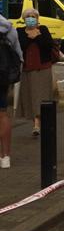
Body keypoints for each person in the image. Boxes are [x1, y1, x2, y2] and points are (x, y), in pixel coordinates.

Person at [18, 7, 64, 135]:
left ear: (37, 19)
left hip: (43, 69)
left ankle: (37, 124)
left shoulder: (43, 29)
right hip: (27, 70)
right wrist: (32, 37)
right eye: (28, 17)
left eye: (33, 17)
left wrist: (36, 36)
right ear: (24, 19)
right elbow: (21, 45)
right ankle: (36, 122)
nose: (30, 19)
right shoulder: (20, 31)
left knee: (41, 96)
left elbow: (47, 44)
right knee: (30, 97)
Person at [0, 12, 23, 169]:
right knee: (3, 113)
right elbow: (18, 54)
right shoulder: (7, 27)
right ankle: (5, 156)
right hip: (2, 76)